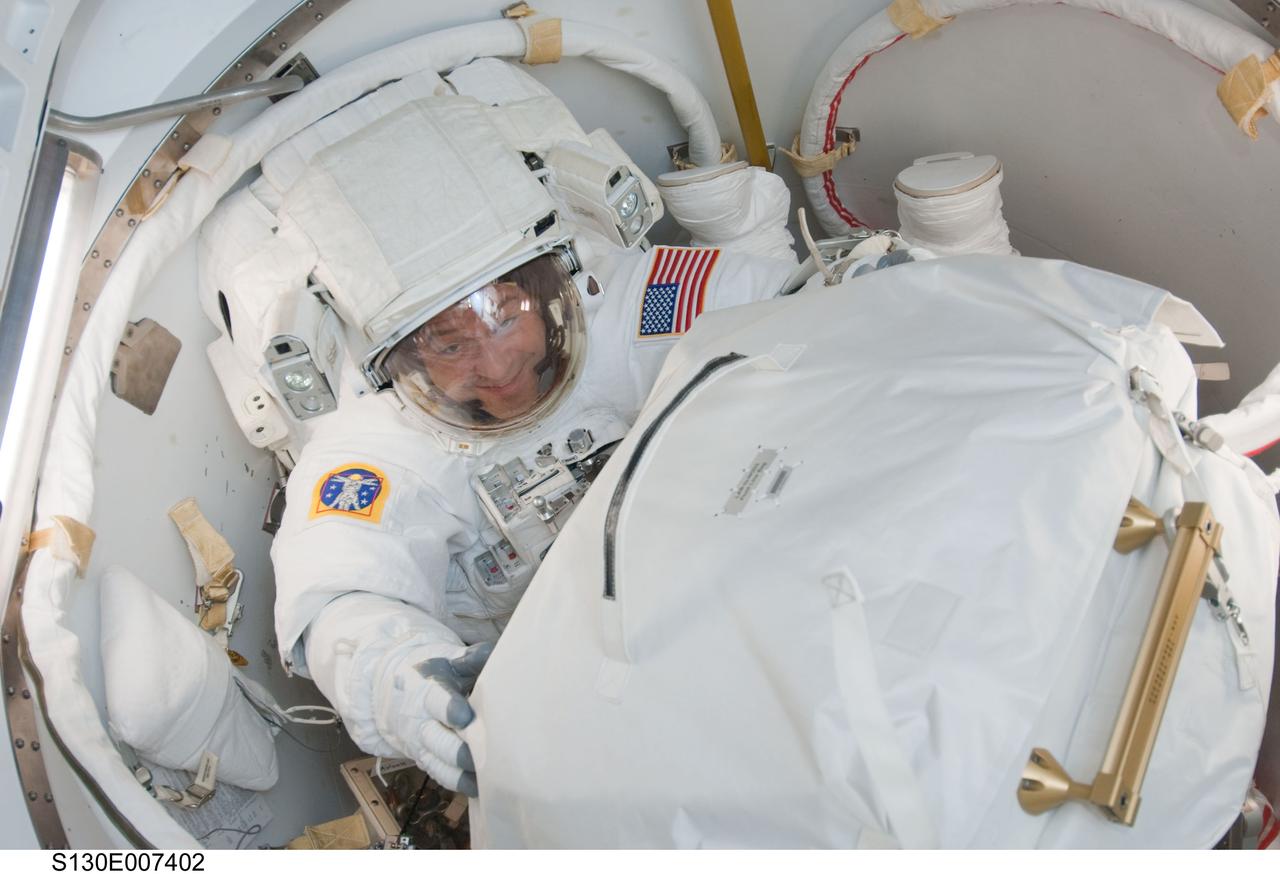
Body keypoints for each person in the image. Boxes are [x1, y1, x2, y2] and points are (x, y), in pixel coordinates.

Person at [258, 94, 799, 797]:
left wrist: (843, 295)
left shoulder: (623, 306)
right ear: (399, 361)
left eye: (507, 315)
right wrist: (399, 684)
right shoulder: (376, 442)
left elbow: (788, 310)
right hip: (572, 712)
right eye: (449, 344)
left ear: (548, 286)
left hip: (723, 607)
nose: (496, 363)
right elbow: (344, 592)